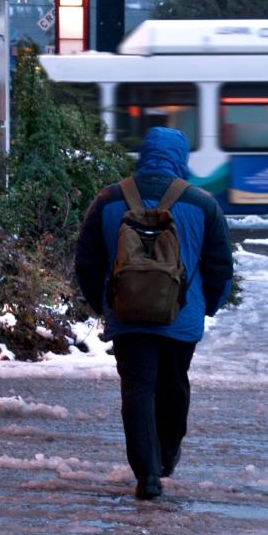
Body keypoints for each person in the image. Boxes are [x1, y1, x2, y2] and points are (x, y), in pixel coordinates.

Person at [75, 127, 234, 500]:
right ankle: (166, 454)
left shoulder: (109, 198)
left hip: (127, 317)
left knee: (138, 389)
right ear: (180, 159)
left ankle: (146, 475)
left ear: (143, 155)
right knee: (174, 385)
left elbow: (86, 260)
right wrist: (204, 309)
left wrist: (105, 304)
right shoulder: (202, 203)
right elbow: (220, 268)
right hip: (181, 318)